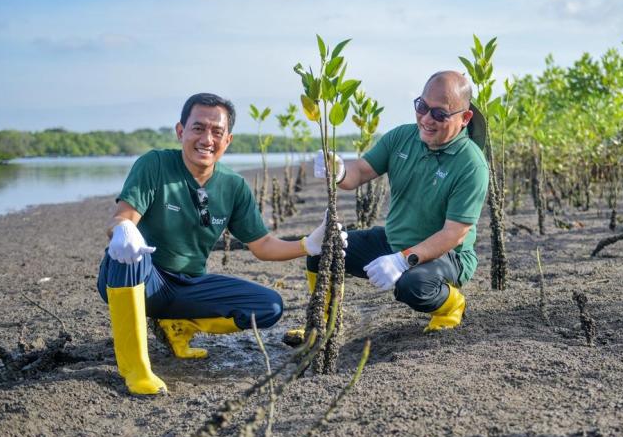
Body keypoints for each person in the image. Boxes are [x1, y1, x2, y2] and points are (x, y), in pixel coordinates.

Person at [97, 93, 344, 395]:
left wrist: (307, 244)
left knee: (268, 306)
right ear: (180, 131)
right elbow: (120, 218)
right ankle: (136, 370)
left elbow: (263, 245)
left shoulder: (233, 186)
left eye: (216, 132)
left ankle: (177, 326)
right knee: (128, 256)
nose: (207, 139)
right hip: (143, 278)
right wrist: (124, 230)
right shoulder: (155, 164)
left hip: (188, 286)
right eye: (198, 128)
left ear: (228, 140)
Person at [289, 70, 488, 340]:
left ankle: (452, 306)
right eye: (422, 107)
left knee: (412, 286)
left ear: (465, 119)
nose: (426, 119)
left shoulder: (471, 164)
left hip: (449, 255)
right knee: (324, 250)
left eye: (439, 114)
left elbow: (454, 234)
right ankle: (323, 323)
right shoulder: (401, 138)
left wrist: (402, 261)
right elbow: (359, 171)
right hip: (396, 240)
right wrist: (338, 172)